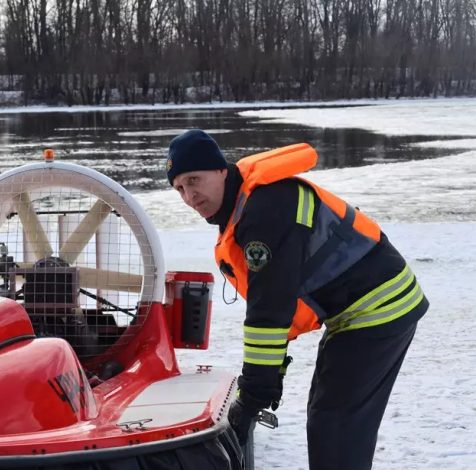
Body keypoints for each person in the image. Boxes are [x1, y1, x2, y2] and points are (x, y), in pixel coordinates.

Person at [165, 129, 428, 469]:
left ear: (220, 170)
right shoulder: (248, 202)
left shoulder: (264, 212)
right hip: (365, 307)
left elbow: (269, 311)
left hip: (378, 307)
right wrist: (262, 384)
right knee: (334, 418)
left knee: (335, 423)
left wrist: (253, 395)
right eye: (180, 188)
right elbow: (273, 307)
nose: (189, 195)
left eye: (194, 179)